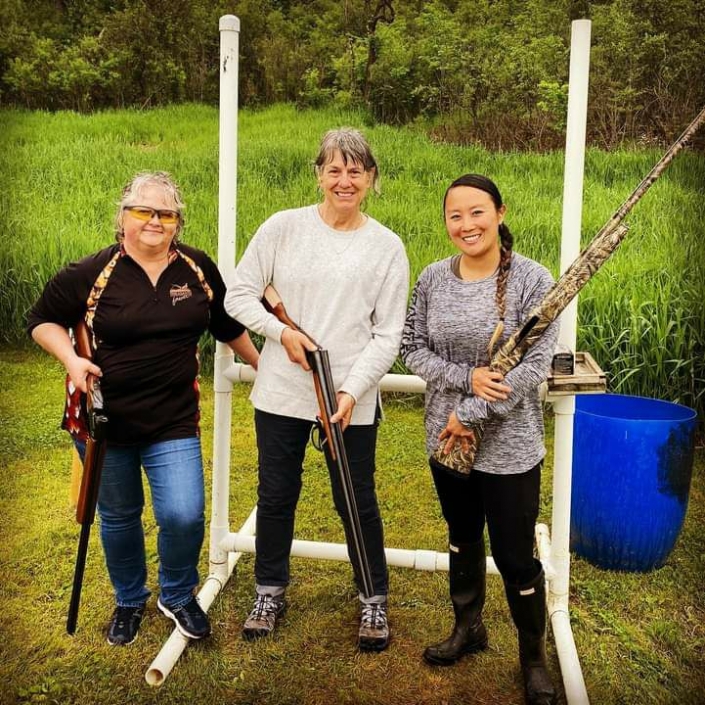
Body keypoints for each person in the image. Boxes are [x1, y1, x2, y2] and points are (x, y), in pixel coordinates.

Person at [27, 171, 259, 646]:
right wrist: (71, 359)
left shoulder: (196, 268)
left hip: (173, 419)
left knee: (184, 513)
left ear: (178, 222)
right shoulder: (92, 272)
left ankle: (176, 594)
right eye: (143, 211)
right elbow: (42, 320)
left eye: (166, 213)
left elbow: (225, 323)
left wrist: (264, 366)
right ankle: (129, 599)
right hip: (105, 422)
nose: (155, 220)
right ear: (124, 217)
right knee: (119, 515)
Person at [224, 128, 409, 652]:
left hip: (349, 396)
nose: (344, 180)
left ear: (371, 178)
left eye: (355, 171)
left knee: (356, 500)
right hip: (281, 392)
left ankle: (373, 597)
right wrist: (281, 333)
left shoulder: (387, 247)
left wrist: (351, 392)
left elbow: (388, 334)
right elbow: (239, 295)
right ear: (319, 175)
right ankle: (269, 592)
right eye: (334, 169)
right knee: (276, 495)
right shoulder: (282, 228)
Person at [401, 174, 558, 704]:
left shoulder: (533, 280)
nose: (466, 224)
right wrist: (465, 379)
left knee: (515, 556)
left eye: (477, 212)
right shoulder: (432, 278)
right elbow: (411, 348)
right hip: (446, 440)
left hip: (509, 445)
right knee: (462, 535)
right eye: (455, 215)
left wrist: (471, 411)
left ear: (500, 213)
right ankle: (468, 627)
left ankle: (533, 658)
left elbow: (534, 366)